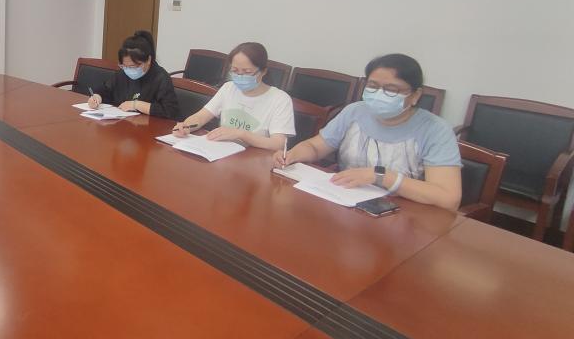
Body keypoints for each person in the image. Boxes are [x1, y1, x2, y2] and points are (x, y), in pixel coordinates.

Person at [273, 53, 461, 211]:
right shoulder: (355, 111)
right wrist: (293, 155)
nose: (379, 94)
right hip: (345, 204)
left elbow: (448, 198)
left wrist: (380, 176)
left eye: (391, 90)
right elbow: (315, 147)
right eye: (372, 86)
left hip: (400, 213)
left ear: (415, 95)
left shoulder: (435, 130)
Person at [172, 41, 294, 149]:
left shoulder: (280, 99)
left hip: (255, 159)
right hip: (222, 153)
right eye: (235, 71)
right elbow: (201, 117)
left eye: (247, 72)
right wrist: (186, 126)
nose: (240, 76)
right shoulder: (228, 88)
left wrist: (241, 134)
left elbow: (278, 144)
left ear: (263, 71)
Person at [87, 30, 180, 120]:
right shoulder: (123, 73)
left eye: (133, 66)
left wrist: (137, 105)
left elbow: (170, 111)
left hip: (149, 127)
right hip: (123, 123)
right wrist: (97, 97)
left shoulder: (160, 78)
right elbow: (106, 89)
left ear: (148, 60)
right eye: (124, 66)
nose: (128, 70)